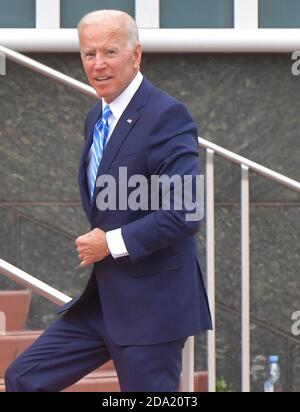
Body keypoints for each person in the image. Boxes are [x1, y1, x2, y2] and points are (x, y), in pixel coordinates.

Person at [5, 10, 212, 392]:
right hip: (103, 303)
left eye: (110, 52)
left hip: (152, 307)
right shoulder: (96, 117)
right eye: (88, 54)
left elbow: (185, 211)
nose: (98, 64)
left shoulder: (166, 116)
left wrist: (109, 243)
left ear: (136, 55)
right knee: (24, 378)